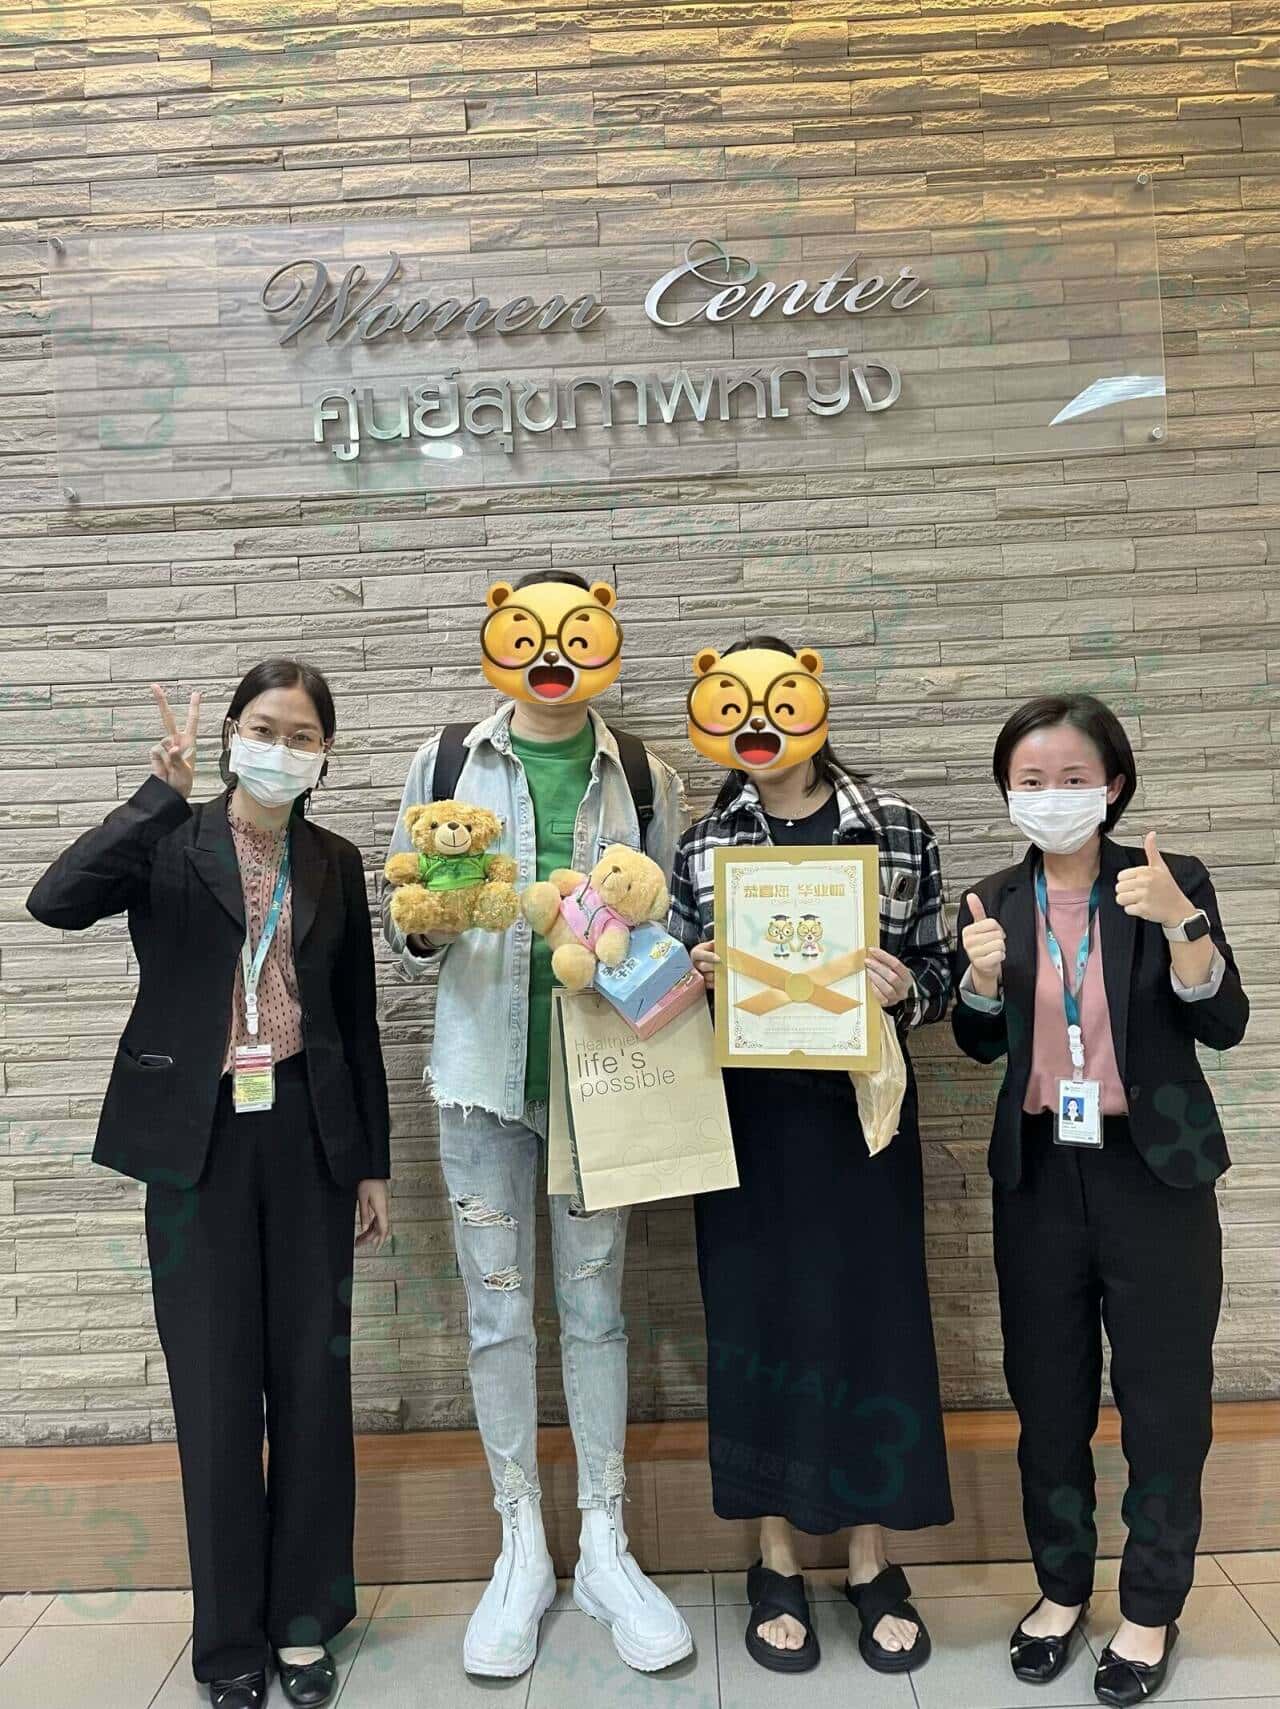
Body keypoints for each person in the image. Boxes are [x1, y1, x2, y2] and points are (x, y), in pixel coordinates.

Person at [27, 662, 392, 1709]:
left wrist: (370, 1162)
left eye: (303, 734)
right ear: (232, 732)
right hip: (197, 1140)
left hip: (310, 1137)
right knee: (216, 1387)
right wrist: (157, 795)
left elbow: (355, 1018)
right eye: (264, 727)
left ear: (325, 752)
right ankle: (229, 1638)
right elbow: (54, 901)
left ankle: (304, 1624)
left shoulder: (334, 858)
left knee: (312, 1385)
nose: (282, 747)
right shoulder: (170, 840)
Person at [382, 571, 692, 1679]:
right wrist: (432, 921)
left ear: (604, 638)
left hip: (601, 1086)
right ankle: (520, 1542)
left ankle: (605, 1541)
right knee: (497, 1315)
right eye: (530, 635)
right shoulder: (446, 762)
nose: (551, 656)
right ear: (501, 636)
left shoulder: (645, 773)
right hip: (480, 1083)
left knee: (598, 1311)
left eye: (575, 635)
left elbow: (671, 915)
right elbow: (407, 931)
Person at [953, 693, 1249, 1708]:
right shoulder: (991, 897)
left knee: (1163, 1399)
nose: (1051, 795)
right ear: (1007, 791)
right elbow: (979, 1044)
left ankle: (1150, 1605)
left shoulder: (1168, 880)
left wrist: (1181, 924)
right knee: (1047, 1397)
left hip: (1154, 1174)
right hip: (1039, 1174)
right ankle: (1059, 1588)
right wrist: (978, 985)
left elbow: (1223, 1020)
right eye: (1029, 780)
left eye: (1071, 777)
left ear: (1112, 784)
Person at [667, 635, 954, 1676]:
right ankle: (775, 1557)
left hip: (862, 1114)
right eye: (733, 706)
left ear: (810, 702)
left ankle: (872, 1560)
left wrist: (902, 988)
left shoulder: (895, 826)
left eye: (776, 702)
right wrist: (691, 970)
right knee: (758, 1325)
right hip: (745, 1117)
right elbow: (657, 988)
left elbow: (941, 970)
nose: (758, 724)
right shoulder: (702, 844)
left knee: (874, 1321)